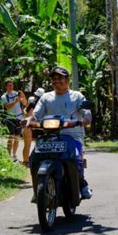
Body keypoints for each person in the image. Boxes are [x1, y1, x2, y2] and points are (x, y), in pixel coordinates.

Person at [30, 66, 93, 199]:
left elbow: (86, 113)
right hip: (49, 136)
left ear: (67, 79)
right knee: (33, 157)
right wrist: (29, 120)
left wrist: (85, 119)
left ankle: (81, 183)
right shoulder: (46, 97)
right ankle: (38, 190)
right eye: (53, 78)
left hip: (72, 135)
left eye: (60, 78)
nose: (56, 80)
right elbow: (36, 114)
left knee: (75, 157)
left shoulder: (77, 96)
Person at [1, 79, 27, 161]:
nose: (10, 86)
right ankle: (8, 155)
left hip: (19, 118)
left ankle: (14, 155)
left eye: (11, 85)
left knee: (17, 137)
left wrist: (23, 96)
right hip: (10, 118)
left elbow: (25, 103)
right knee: (11, 137)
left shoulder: (17, 94)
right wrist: (15, 102)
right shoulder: (4, 96)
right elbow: (7, 107)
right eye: (9, 85)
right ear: (6, 86)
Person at [22, 88, 45, 167]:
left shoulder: (32, 104)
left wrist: (25, 110)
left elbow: (26, 114)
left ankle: (26, 161)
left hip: (29, 126)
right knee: (38, 145)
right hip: (38, 126)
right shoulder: (43, 105)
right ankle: (33, 161)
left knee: (27, 145)